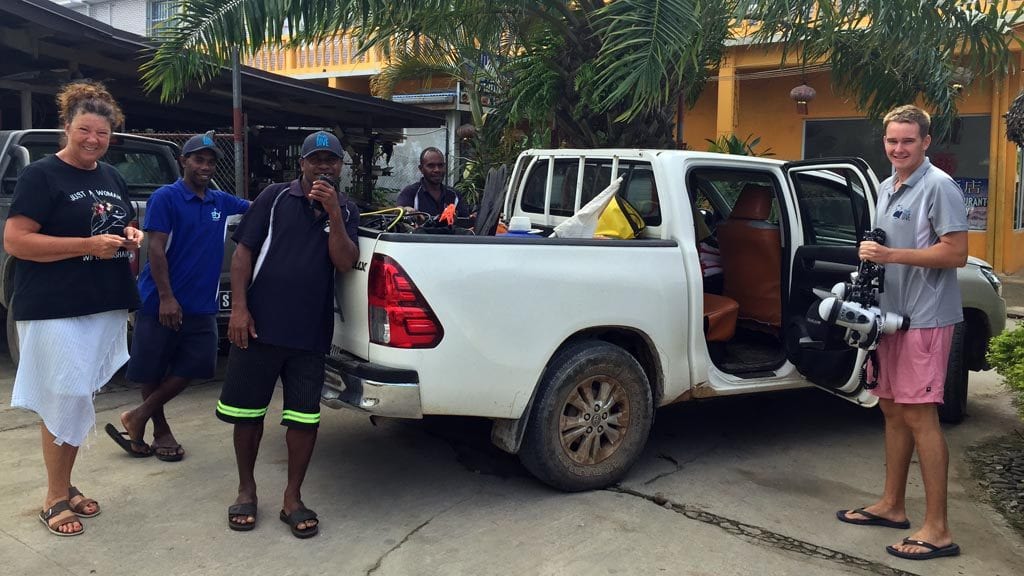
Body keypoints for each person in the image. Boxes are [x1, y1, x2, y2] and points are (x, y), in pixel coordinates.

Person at [4, 81, 143, 536]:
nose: (92, 140)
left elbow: (120, 223)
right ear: (67, 127)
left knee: (79, 397)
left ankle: (65, 484)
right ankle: (53, 497)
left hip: (101, 304)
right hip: (55, 307)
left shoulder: (112, 175)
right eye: (84, 130)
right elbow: (16, 240)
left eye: (102, 134)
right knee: (61, 398)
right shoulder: (42, 175)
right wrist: (85, 245)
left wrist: (131, 236)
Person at [836, 105, 968, 561]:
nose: (898, 149)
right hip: (889, 318)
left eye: (908, 141)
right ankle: (892, 506)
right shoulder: (884, 184)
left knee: (920, 417)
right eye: (892, 141)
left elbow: (955, 254)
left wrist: (891, 257)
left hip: (926, 319)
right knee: (891, 410)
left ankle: (938, 530)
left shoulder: (939, 186)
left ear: (926, 141)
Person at [215, 130, 359, 538]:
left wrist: (332, 212)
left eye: (332, 161)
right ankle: (246, 489)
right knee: (248, 415)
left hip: (310, 335)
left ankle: (292, 497)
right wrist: (239, 309)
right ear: (303, 164)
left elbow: (346, 262)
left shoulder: (346, 211)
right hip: (259, 327)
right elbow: (243, 253)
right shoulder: (275, 197)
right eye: (317, 160)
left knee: (303, 420)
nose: (325, 167)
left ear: (341, 167)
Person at [105, 131, 249, 461]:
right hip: (160, 300)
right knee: (152, 368)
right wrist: (167, 298)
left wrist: (294, 194)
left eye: (211, 162)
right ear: (184, 161)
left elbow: (258, 208)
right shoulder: (165, 197)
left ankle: (137, 416)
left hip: (201, 305)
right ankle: (159, 429)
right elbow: (155, 249)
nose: (205, 167)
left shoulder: (220, 201)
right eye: (199, 159)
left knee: (198, 364)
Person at [396, 147, 471, 218]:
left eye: (440, 165)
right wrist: (407, 210)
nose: (437, 170)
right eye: (431, 166)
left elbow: (466, 221)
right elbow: (400, 210)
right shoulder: (410, 192)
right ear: (421, 169)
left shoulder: (454, 195)